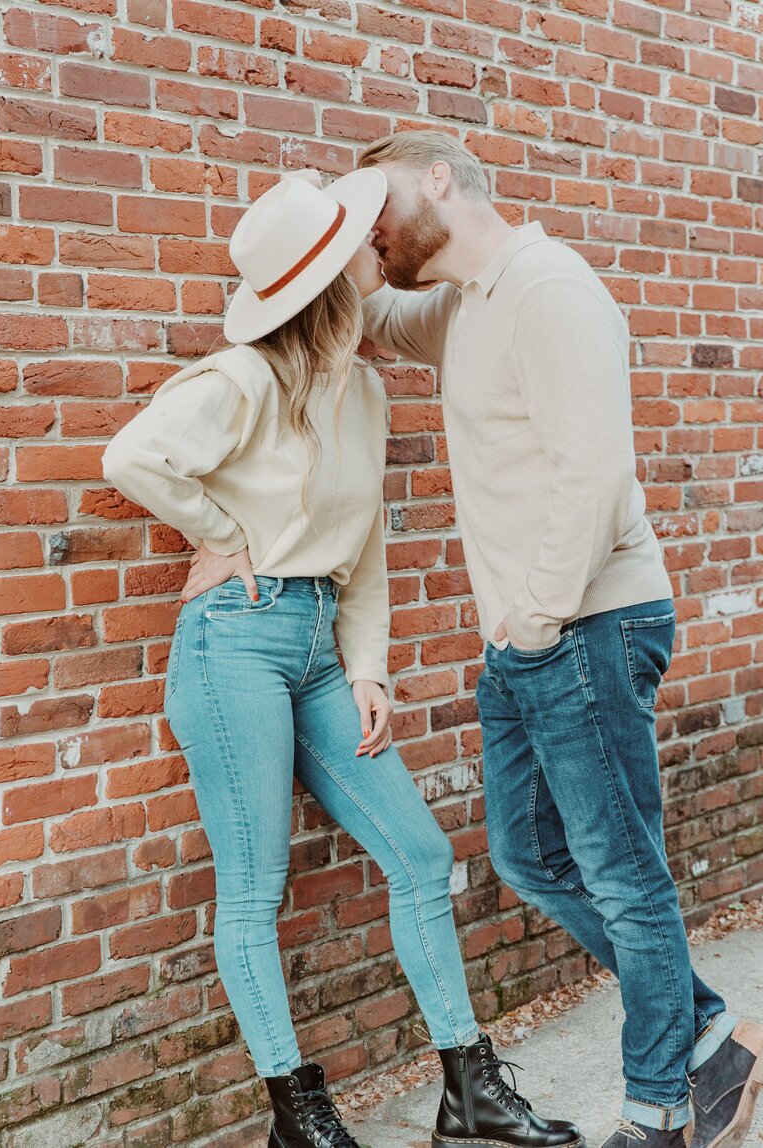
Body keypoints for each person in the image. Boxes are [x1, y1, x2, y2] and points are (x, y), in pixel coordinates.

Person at [310, 130, 763, 1148]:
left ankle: (658, 1106)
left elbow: (595, 474)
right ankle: (709, 1034)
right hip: (533, 638)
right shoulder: (461, 304)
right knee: (529, 855)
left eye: (380, 202)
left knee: (620, 868)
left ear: (438, 177)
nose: (376, 228)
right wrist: (332, 222)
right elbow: (370, 314)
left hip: (586, 622)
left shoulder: (547, 288)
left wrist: (534, 613)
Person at [102, 171, 586, 1148]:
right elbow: (133, 456)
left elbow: (363, 548)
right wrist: (218, 529)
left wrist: (368, 667)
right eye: (358, 253)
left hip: (319, 650)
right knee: (253, 889)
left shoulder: (361, 390)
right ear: (326, 283)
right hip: (232, 643)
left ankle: (468, 1090)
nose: (378, 257)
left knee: (417, 851)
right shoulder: (238, 381)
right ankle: (296, 1109)